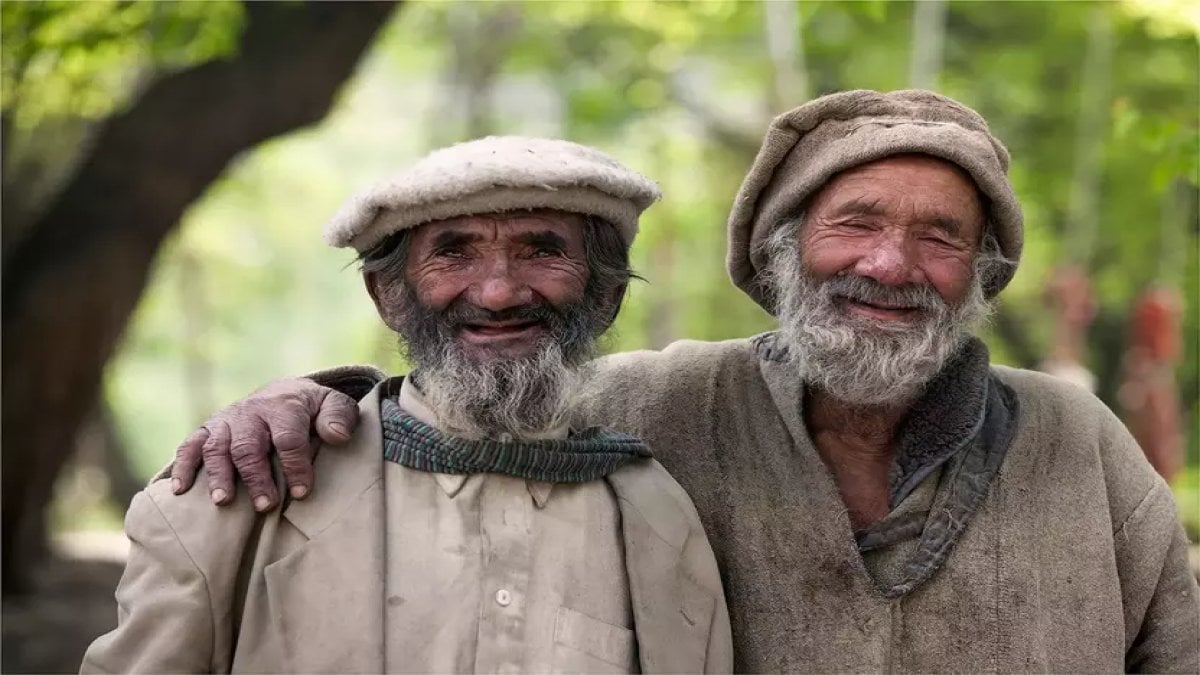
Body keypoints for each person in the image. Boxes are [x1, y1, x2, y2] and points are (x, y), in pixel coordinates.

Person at [171, 90, 1200, 672]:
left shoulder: (1075, 436)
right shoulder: (650, 409)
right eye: (855, 225)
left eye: (940, 237)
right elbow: (475, 392)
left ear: (981, 275)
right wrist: (313, 399)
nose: (891, 266)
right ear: (782, 255)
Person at [83, 136, 733, 674]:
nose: (501, 291)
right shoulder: (231, 500)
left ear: (606, 296)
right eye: (454, 253)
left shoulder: (659, 516)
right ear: (388, 296)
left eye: (542, 250)